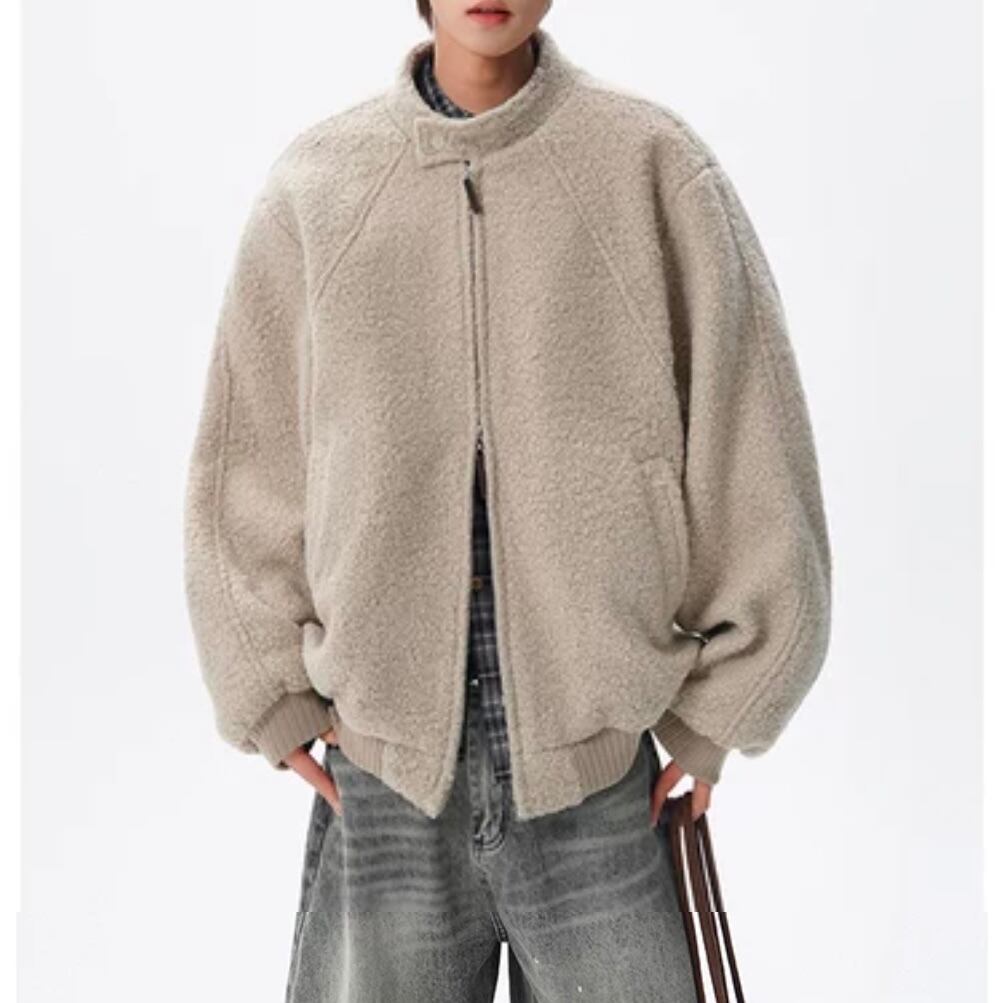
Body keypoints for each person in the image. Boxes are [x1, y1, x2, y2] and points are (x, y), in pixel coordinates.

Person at [182, 1, 832, 999]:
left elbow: (750, 433)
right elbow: (249, 456)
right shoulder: (319, 187)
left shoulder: (652, 168)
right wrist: (268, 689)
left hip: (598, 782)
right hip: (386, 784)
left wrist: (725, 706)